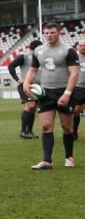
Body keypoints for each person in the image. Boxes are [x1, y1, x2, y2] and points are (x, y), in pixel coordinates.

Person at [23, 22, 80, 170]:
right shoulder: (38, 51)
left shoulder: (68, 51)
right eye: (46, 33)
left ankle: (69, 157)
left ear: (59, 32)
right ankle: (47, 160)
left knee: (67, 127)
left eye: (52, 32)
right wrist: (26, 83)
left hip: (64, 91)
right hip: (45, 92)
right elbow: (33, 70)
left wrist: (67, 93)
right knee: (46, 125)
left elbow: (74, 74)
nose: (49, 35)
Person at [8, 40, 43, 139]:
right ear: (36, 47)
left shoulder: (40, 57)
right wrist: (18, 79)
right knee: (30, 106)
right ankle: (23, 131)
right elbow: (11, 66)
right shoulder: (24, 56)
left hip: (37, 87)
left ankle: (29, 131)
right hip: (26, 85)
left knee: (33, 108)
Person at [72, 40, 85, 141]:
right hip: (78, 87)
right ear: (78, 47)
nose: (83, 47)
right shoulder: (74, 58)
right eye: (81, 45)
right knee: (76, 111)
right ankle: (74, 131)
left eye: (84, 45)